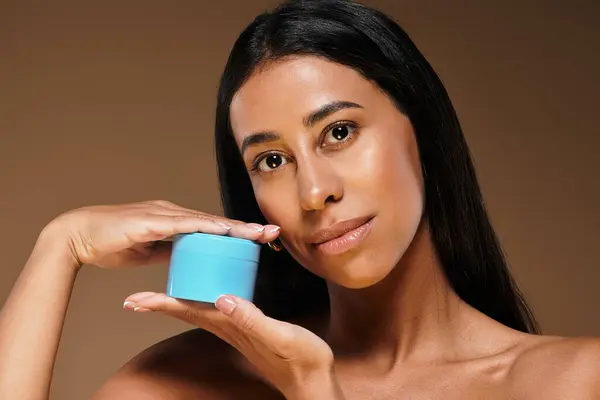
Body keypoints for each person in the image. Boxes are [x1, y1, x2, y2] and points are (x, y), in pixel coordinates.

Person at [1, 0, 599, 398]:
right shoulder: (186, 383)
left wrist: (315, 390)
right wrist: (63, 244)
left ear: (422, 128)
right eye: (272, 160)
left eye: (339, 132)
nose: (314, 192)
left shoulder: (573, 381)